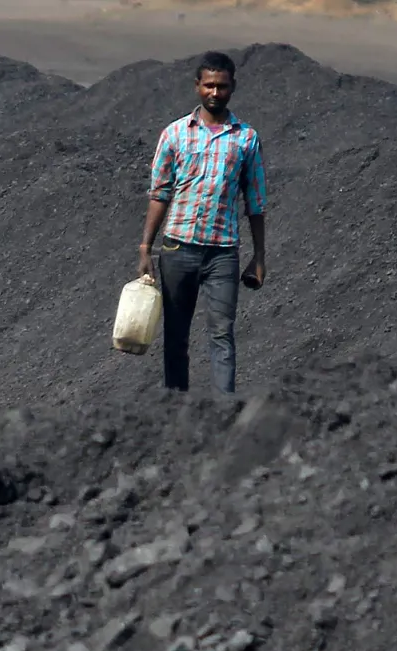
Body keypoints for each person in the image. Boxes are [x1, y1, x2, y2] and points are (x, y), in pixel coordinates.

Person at [137, 51, 268, 396]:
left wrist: (259, 256)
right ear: (197, 86)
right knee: (176, 334)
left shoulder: (245, 138)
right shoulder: (175, 135)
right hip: (178, 247)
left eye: (222, 86)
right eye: (208, 85)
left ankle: (224, 412)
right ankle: (175, 410)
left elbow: (255, 201)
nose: (215, 92)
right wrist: (145, 248)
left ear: (233, 87)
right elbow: (159, 193)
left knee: (222, 332)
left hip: (223, 253)